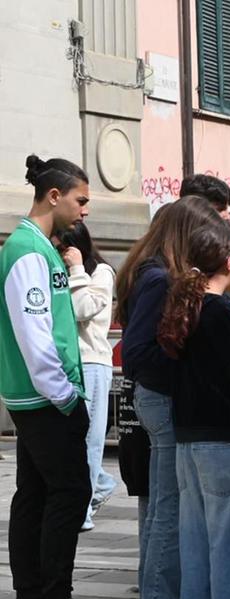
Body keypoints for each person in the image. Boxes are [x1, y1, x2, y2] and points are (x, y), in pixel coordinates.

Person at [1, 154, 106, 599]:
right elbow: (35, 335)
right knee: (69, 492)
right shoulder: (28, 250)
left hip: (37, 396)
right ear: (55, 195)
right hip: (46, 398)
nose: (85, 210)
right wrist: (66, 396)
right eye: (81, 200)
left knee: (36, 493)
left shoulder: (35, 247)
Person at [115, 195, 225, 599]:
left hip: (157, 401)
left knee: (163, 513)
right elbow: (139, 354)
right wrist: (186, 372)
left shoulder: (150, 272)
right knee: (166, 515)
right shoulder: (159, 277)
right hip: (162, 403)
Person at [157, 224, 230, 599]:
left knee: (196, 549)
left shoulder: (185, 308)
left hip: (188, 442)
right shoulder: (222, 313)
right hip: (224, 441)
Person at [55, 221, 118, 532]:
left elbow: (83, 309)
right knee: (71, 440)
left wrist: (77, 270)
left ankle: (83, 510)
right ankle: (101, 485)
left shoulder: (100, 273)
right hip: (67, 364)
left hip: (92, 363)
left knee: (89, 440)